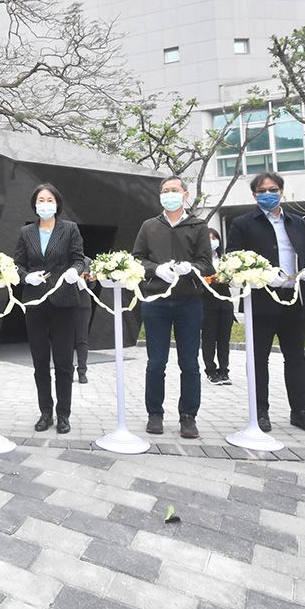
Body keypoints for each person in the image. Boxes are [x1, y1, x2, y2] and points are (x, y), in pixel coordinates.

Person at [227, 171, 305, 435]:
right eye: (262, 190)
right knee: (258, 358)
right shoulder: (243, 223)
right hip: (261, 299)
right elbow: (233, 258)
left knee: (296, 357)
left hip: (295, 298)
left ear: (281, 191)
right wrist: (259, 273)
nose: (267, 194)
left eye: (272, 189)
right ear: (254, 195)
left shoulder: (299, 223)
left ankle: (301, 412)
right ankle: (260, 411)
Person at [132, 177, 213, 439]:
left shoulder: (198, 226)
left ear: (185, 195)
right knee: (156, 362)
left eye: (174, 191)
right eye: (165, 191)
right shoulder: (149, 226)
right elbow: (137, 259)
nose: (169, 195)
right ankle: (154, 414)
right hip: (155, 302)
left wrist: (192, 269)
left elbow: (206, 264)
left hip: (189, 302)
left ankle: (188, 416)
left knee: (189, 362)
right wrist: (156, 269)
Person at [14, 183, 86, 434]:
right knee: (40, 360)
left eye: (49, 199)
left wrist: (73, 271)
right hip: (34, 302)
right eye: (40, 200)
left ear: (57, 203)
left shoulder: (70, 229)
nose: (45, 204)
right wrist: (26, 277)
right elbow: (17, 265)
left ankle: (63, 414)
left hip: (63, 300)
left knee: (64, 361)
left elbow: (79, 259)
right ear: (34, 205)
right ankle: (45, 412)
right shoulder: (26, 232)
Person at [201, 227, 233, 386]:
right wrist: (211, 279)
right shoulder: (201, 260)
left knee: (224, 338)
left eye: (214, 238)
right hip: (207, 302)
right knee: (209, 338)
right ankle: (210, 371)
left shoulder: (225, 259)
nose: (212, 241)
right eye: (208, 238)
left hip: (225, 301)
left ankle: (224, 370)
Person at [73, 269, 96, 384]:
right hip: (64, 303)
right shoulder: (62, 258)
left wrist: (91, 280)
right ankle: (67, 370)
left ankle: (82, 371)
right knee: (65, 339)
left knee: (82, 339)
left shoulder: (88, 262)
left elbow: (92, 285)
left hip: (83, 304)